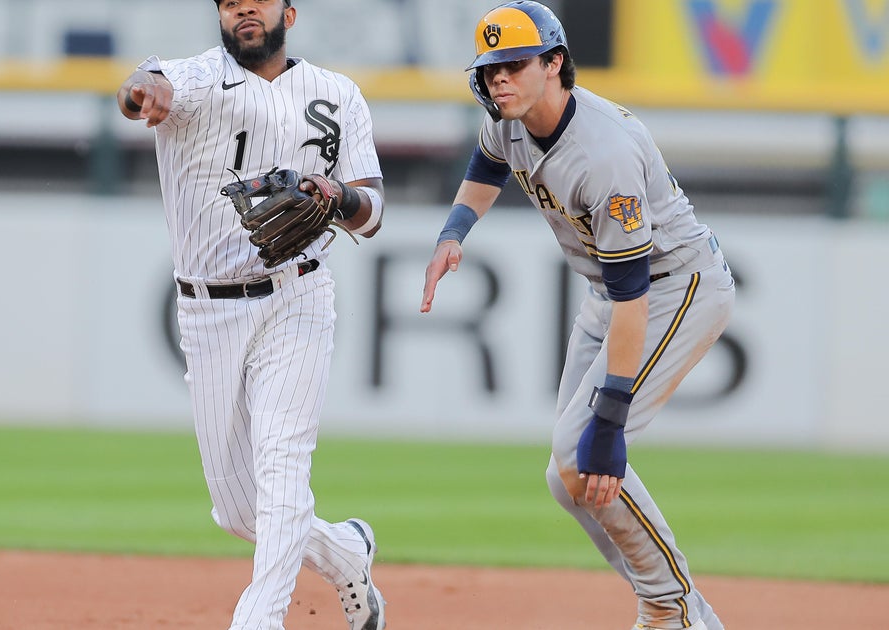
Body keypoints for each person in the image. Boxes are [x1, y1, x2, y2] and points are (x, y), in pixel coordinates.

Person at [420, 2, 733, 629]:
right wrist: (454, 232)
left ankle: (672, 608)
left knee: (582, 447)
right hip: (608, 293)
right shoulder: (506, 118)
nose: (499, 79)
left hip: (675, 288)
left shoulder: (603, 152)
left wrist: (612, 418)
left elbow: (633, 291)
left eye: (514, 64)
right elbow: (486, 164)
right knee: (569, 478)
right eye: (490, 68)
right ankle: (674, 605)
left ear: (555, 62)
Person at [115, 1, 387, 629]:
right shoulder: (201, 77)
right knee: (238, 512)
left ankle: (258, 621)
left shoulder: (336, 94)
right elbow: (147, 86)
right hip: (207, 308)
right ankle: (347, 553)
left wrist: (339, 197)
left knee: (283, 462)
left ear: (288, 11)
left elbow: (372, 213)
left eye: (256, 1)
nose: (244, 11)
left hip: (298, 294)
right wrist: (142, 95)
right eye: (231, 3)